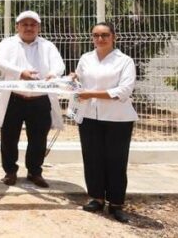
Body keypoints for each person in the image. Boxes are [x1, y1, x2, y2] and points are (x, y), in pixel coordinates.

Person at [73, 22, 137, 223]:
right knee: (92, 159)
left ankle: (116, 204)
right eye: (96, 35)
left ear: (113, 37)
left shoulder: (125, 61)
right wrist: (73, 78)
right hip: (90, 116)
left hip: (118, 119)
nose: (100, 39)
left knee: (116, 161)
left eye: (105, 35)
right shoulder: (86, 58)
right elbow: (79, 81)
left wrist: (91, 93)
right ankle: (96, 198)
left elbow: (124, 91)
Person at [0, 10, 64, 188]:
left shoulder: (47, 46)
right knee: (9, 137)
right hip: (14, 98)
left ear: (38, 27)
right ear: (17, 26)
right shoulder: (8, 43)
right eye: (25, 24)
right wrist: (20, 73)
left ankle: (34, 171)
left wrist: (53, 74)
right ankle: (10, 171)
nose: (29, 28)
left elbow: (59, 64)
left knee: (39, 138)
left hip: (40, 99)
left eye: (33, 25)